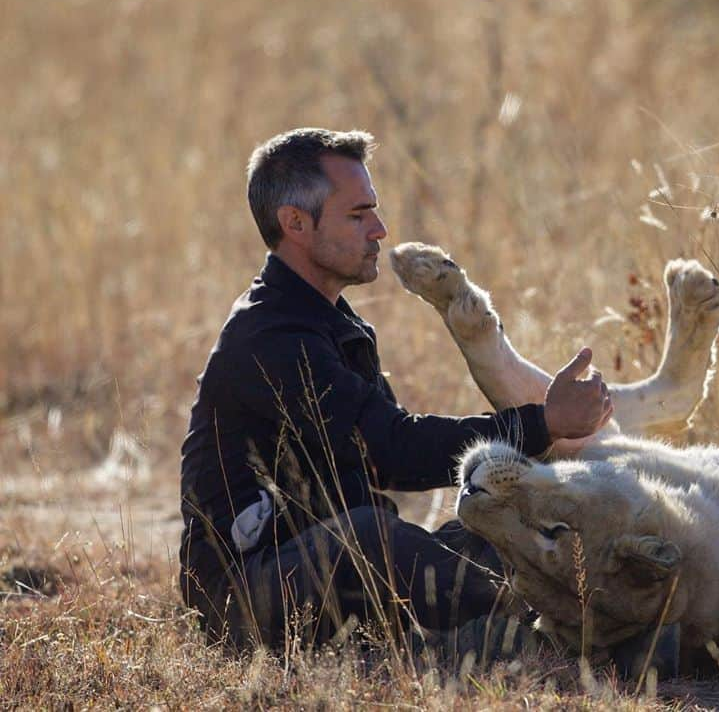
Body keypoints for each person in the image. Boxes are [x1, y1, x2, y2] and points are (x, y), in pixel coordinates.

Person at [178, 128, 613, 654]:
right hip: (245, 601)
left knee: (503, 521)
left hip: (321, 566)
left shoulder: (328, 321)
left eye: (374, 212)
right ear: (295, 222)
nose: (380, 230)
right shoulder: (271, 335)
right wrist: (542, 424)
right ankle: (571, 617)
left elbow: (379, 457)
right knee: (369, 537)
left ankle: (560, 603)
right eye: (358, 215)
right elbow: (391, 452)